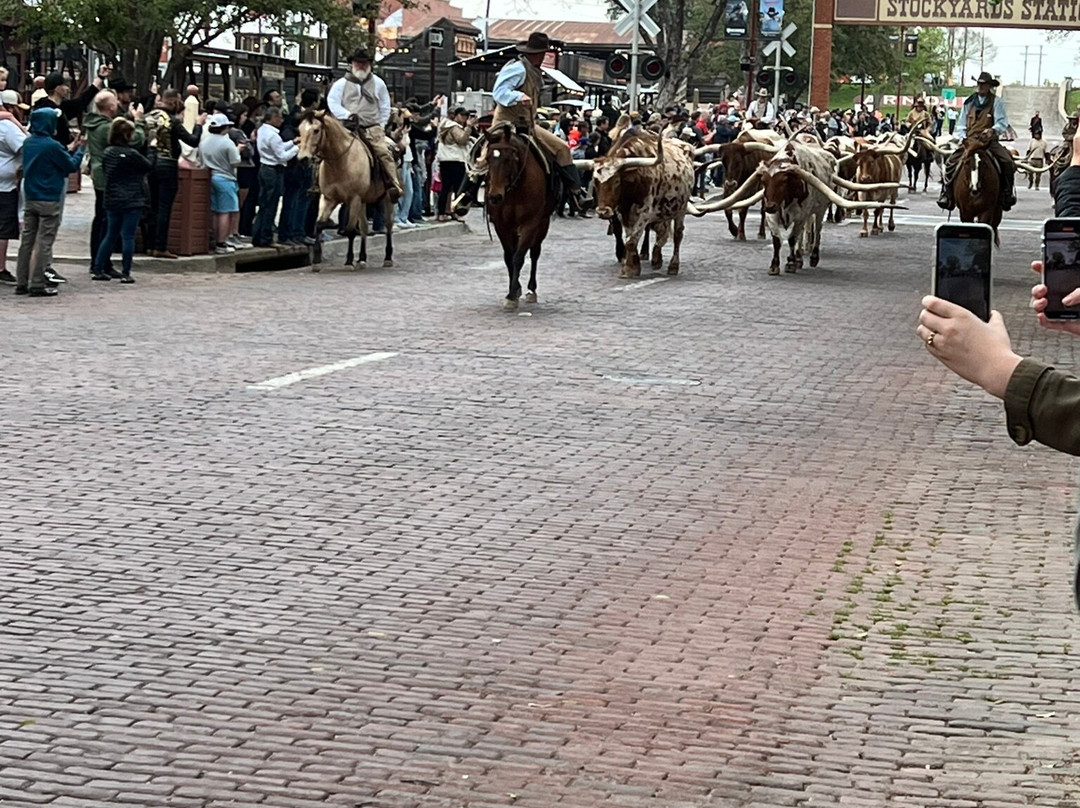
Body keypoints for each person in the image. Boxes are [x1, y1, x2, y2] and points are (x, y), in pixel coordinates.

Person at [451, 32, 586, 216]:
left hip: (528, 125)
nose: (543, 56)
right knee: (484, 158)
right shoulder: (517, 68)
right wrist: (517, 96)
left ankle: (576, 194)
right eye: (541, 52)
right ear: (534, 52)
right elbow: (499, 92)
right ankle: (464, 196)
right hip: (505, 123)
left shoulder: (536, 72)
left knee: (562, 148)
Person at [16, 108, 84, 297]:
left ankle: (22, 280)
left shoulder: (29, 143)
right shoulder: (52, 145)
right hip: (49, 197)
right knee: (44, 242)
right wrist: (80, 150)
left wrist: (69, 148)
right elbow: (70, 165)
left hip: (31, 196)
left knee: (27, 241)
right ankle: (37, 282)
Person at [325, 48, 402, 201]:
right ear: (352, 64)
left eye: (364, 63)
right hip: (347, 127)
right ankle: (318, 184)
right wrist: (347, 115)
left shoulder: (378, 83)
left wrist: (380, 124)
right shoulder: (341, 84)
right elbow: (332, 102)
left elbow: (385, 106)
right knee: (325, 151)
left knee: (383, 152)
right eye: (358, 63)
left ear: (369, 64)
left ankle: (393, 184)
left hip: (372, 128)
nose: (360, 66)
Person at [84, 89, 145, 277]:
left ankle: (100, 262)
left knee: (101, 220)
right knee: (107, 224)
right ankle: (101, 264)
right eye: (115, 101)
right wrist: (139, 121)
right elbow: (135, 139)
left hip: (99, 174)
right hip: (109, 178)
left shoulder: (93, 124)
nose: (118, 103)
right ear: (110, 106)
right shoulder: (105, 128)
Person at [938, 71, 1015, 212]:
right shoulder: (969, 102)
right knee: (950, 163)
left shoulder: (996, 102)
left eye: (983, 84)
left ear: (989, 86)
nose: (980, 87)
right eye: (979, 84)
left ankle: (1007, 193)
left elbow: (1002, 122)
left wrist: (992, 130)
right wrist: (962, 138)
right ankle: (947, 194)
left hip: (989, 143)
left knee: (1007, 162)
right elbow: (961, 124)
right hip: (970, 142)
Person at [143, 90, 205, 258]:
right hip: (168, 164)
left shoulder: (148, 117)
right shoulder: (172, 121)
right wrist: (198, 124)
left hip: (150, 164)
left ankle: (149, 244)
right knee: (164, 207)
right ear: (173, 101)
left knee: (153, 206)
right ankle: (160, 246)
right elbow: (192, 141)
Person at [93, 117, 154, 283]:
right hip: (132, 199)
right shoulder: (132, 154)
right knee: (128, 236)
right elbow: (148, 165)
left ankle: (98, 268)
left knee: (110, 235)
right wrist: (151, 149)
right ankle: (126, 272)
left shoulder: (108, 153)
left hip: (112, 198)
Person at [251, 106, 299, 248]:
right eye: (279, 117)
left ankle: (257, 235)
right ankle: (266, 237)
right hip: (273, 170)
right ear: (272, 118)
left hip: (264, 168)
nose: (281, 120)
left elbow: (279, 147)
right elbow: (281, 155)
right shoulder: (273, 135)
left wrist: (292, 142)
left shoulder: (262, 131)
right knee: (270, 205)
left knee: (264, 204)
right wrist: (298, 149)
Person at [277, 88, 318, 246]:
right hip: (295, 167)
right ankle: (291, 232)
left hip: (302, 166)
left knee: (301, 200)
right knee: (293, 201)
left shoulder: (299, 118)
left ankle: (298, 231)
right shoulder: (293, 125)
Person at [200, 113, 243, 254]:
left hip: (210, 177)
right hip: (225, 178)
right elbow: (235, 162)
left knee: (214, 211)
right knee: (225, 212)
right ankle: (221, 242)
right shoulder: (227, 143)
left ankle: (213, 238)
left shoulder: (204, 141)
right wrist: (238, 151)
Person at [0, 91, 27, 286]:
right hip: (5, 185)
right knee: (3, 228)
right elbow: (26, 147)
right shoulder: (8, 127)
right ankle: (0, 267)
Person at [436, 106, 470, 221]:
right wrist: (469, 128)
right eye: (462, 115)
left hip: (445, 159)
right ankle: (456, 211)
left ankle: (443, 212)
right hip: (455, 159)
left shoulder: (444, 125)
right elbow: (462, 140)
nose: (464, 118)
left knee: (446, 188)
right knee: (457, 188)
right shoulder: (454, 127)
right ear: (455, 116)